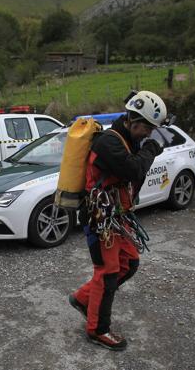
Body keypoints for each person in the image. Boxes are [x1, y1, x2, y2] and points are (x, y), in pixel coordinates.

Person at [69, 90, 167, 351]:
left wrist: (145, 149)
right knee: (108, 274)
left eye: (151, 130)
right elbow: (134, 169)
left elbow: (134, 179)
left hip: (117, 216)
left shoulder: (129, 141)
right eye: (146, 128)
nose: (148, 134)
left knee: (130, 262)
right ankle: (98, 329)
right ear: (132, 120)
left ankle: (83, 299)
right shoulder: (108, 143)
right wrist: (151, 150)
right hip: (100, 219)